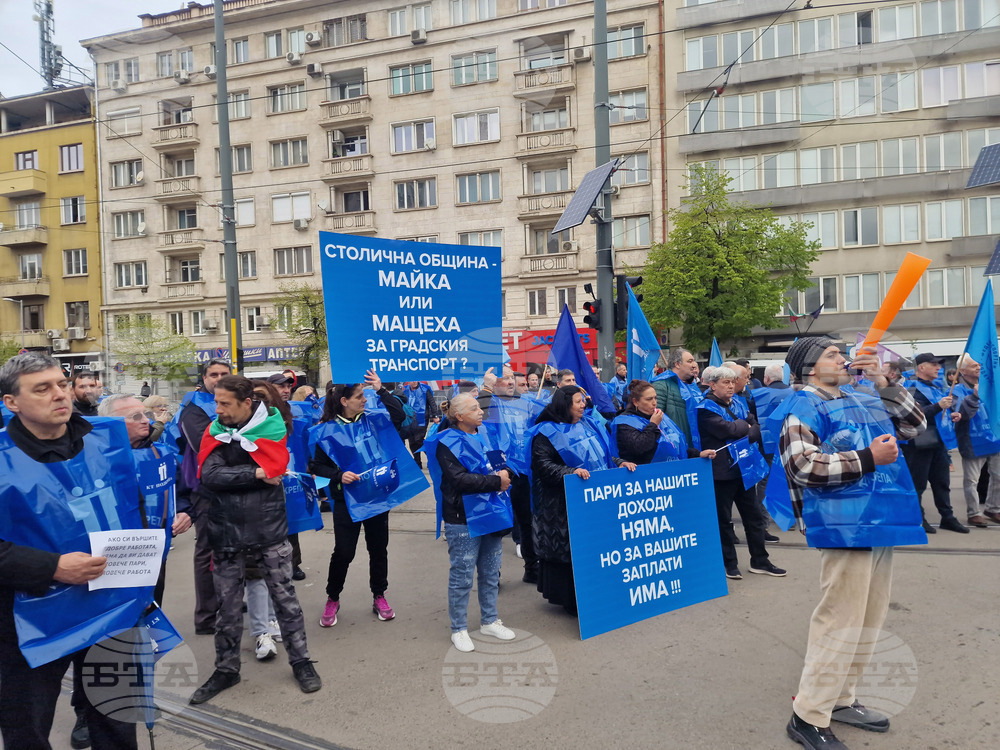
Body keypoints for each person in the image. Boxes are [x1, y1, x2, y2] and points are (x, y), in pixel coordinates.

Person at [778, 337, 926, 750]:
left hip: (877, 520)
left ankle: (840, 699)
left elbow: (916, 426)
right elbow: (803, 465)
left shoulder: (860, 396)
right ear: (809, 367)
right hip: (842, 527)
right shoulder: (803, 405)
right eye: (832, 355)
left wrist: (881, 380)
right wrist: (867, 458)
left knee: (868, 618)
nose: (844, 359)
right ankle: (808, 716)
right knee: (840, 620)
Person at [0, 353, 147, 750]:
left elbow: (132, 512)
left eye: (61, 384)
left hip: (111, 604)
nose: (59, 395)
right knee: (25, 730)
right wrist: (52, 567)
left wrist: (143, 587)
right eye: (42, 389)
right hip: (28, 619)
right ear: (11, 402)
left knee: (116, 717)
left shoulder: (107, 439)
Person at [190, 374, 320, 704]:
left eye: (225, 404)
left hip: (269, 530)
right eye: (216, 402)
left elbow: (273, 469)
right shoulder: (214, 431)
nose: (217, 410)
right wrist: (257, 474)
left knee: (286, 602)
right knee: (228, 609)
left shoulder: (272, 428)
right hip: (226, 533)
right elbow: (209, 475)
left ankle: (301, 662)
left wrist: (250, 475)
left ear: (247, 403)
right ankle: (226, 670)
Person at [309, 371, 407, 628]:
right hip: (346, 500)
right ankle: (333, 598)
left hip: (376, 496)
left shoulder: (373, 421)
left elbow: (399, 416)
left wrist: (381, 390)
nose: (365, 400)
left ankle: (379, 595)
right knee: (344, 551)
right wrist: (339, 475)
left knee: (378, 549)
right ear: (344, 401)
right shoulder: (327, 431)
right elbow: (317, 466)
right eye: (360, 396)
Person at [530, 386, 636, 615]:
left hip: (594, 502)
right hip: (561, 505)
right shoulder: (545, 432)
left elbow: (603, 455)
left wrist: (619, 463)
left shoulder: (589, 424)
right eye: (578, 401)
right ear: (564, 404)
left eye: (583, 401)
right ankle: (571, 601)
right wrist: (569, 472)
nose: (583, 405)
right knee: (570, 552)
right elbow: (542, 465)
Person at [426, 393, 515, 652]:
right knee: (462, 576)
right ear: (459, 416)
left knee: (490, 572)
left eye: (480, 407)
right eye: (474, 408)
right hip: (461, 516)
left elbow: (499, 462)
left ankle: (489, 620)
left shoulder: (485, 433)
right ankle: (459, 629)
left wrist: (507, 473)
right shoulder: (446, 442)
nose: (480, 412)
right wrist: (497, 481)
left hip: (492, 511)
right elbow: (459, 480)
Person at [697, 366, 785, 580]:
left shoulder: (739, 401)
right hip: (721, 472)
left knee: (753, 517)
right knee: (724, 520)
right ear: (712, 385)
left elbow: (755, 429)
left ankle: (760, 561)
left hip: (744, 469)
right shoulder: (705, 407)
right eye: (725, 383)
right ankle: (730, 564)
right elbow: (727, 430)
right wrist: (743, 427)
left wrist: (742, 428)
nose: (730, 386)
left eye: (731, 382)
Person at [171, 357, 232, 634]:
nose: (218, 378)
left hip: (233, 484)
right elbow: (204, 446)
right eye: (213, 374)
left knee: (231, 548)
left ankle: (229, 602)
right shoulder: (193, 409)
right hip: (205, 488)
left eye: (224, 373)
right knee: (207, 550)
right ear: (204, 379)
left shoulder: (238, 401)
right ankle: (206, 616)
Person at [479, 366, 544, 583]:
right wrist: (486, 387)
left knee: (526, 521)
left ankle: (532, 567)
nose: (509, 382)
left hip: (523, 471)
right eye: (503, 379)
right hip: (496, 471)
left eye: (510, 378)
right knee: (497, 523)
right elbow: (481, 415)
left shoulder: (526, 403)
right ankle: (492, 575)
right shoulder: (487, 402)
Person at [902, 353, 968, 534]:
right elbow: (914, 414)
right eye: (933, 364)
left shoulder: (936, 386)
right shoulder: (911, 388)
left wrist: (952, 414)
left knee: (942, 482)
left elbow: (940, 412)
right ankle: (918, 518)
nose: (938, 367)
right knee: (918, 483)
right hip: (919, 442)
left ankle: (947, 518)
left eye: (938, 365)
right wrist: (939, 406)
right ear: (921, 367)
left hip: (938, 441)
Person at [610, 380, 716, 464]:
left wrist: (698, 454)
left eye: (655, 398)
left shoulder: (659, 416)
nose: (654, 403)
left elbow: (675, 446)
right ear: (635, 402)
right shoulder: (624, 422)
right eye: (649, 399)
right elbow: (639, 449)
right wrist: (653, 425)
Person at [952, 355, 1000, 527]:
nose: (979, 367)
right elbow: (960, 414)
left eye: (979, 364)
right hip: (973, 440)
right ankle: (974, 513)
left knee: (998, 476)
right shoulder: (956, 390)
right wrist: (974, 397)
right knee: (972, 480)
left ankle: (993, 508)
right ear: (963, 371)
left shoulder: (990, 386)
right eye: (974, 366)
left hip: (994, 438)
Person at [652, 348, 702, 450]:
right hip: (674, 447)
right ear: (677, 364)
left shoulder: (692, 386)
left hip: (693, 447)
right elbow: (656, 417)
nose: (694, 365)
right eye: (689, 361)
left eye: (694, 361)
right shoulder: (661, 384)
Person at [402, 381, 440, 467]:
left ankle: (433, 458)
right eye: (412, 380)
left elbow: (432, 402)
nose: (414, 382)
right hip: (410, 419)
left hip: (422, 419)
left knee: (418, 440)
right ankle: (418, 462)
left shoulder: (425, 389)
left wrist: (435, 415)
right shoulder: (405, 390)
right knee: (412, 441)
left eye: (416, 380)